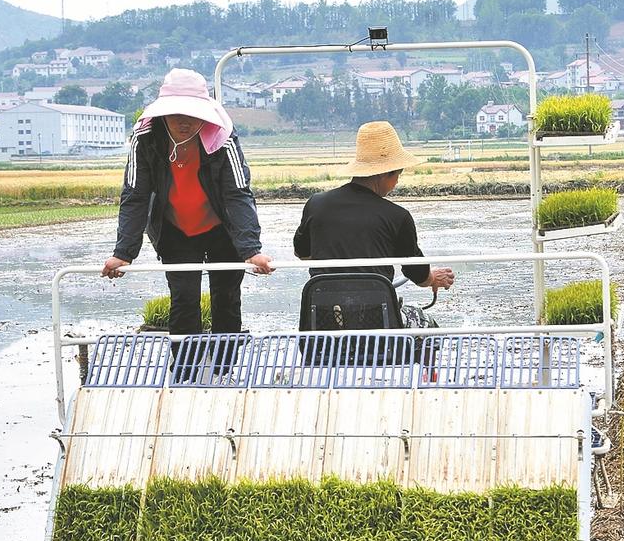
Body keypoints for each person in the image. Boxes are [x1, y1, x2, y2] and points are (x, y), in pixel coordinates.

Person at [101, 68, 272, 347]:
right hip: (175, 227)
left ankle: (224, 365)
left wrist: (251, 250)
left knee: (227, 296)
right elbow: (135, 194)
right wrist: (123, 253)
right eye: (176, 114)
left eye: (193, 114)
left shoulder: (223, 137)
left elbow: (237, 193)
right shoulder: (145, 138)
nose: (184, 122)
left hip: (222, 227)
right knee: (183, 298)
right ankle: (184, 366)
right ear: (163, 114)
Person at [292, 121, 454, 324]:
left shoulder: (316, 204)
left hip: (324, 321)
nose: (397, 182)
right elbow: (418, 275)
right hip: (376, 322)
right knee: (425, 325)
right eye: (397, 175)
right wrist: (433, 278)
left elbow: (302, 253)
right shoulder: (397, 216)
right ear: (385, 174)